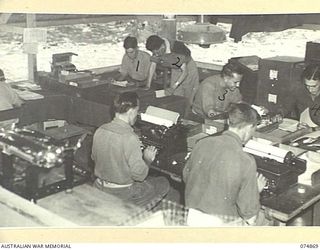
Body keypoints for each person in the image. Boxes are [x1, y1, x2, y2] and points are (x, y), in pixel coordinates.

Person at [183, 103, 267, 225]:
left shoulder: (201, 143)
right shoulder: (246, 161)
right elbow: (250, 216)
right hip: (221, 227)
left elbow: (186, 176)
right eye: (253, 130)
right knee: (264, 220)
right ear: (249, 127)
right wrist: (255, 191)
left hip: (192, 218)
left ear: (229, 122)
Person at [91, 91, 170, 207]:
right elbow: (140, 176)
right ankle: (133, 212)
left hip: (98, 186)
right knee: (163, 183)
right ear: (131, 111)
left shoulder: (100, 130)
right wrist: (147, 159)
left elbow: (94, 157)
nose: (136, 115)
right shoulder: (130, 137)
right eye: (137, 111)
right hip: (121, 193)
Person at [166, 41, 200, 108]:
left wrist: (173, 87)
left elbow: (185, 73)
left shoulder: (184, 57)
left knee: (188, 99)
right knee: (176, 98)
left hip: (189, 72)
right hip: (178, 70)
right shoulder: (172, 56)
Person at [291, 63, 320, 128]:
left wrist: (312, 129)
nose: (310, 90)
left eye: (314, 86)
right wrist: (280, 114)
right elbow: (287, 104)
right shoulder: (301, 91)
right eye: (307, 86)